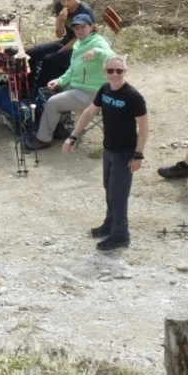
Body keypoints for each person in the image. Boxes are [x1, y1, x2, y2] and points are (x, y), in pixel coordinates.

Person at [63, 55, 148, 252]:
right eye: (111, 71)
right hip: (109, 148)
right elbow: (89, 112)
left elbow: (144, 127)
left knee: (119, 194)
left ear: (125, 72)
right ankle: (110, 224)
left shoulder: (133, 96)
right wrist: (73, 137)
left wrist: (138, 155)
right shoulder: (105, 89)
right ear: (105, 73)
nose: (115, 74)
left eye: (119, 71)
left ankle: (121, 235)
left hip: (125, 152)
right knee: (109, 189)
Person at [33, 13, 113, 149]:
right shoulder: (79, 42)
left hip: (92, 92)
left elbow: (113, 57)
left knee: (52, 103)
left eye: (83, 27)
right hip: (77, 86)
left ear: (92, 27)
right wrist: (60, 80)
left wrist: (97, 52)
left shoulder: (98, 42)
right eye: (76, 28)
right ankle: (59, 129)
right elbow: (73, 67)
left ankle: (43, 140)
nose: (79, 30)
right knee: (49, 92)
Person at [27, 0, 96, 88]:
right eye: (62, 0)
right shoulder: (59, 6)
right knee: (30, 54)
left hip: (82, 46)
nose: (65, 3)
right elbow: (59, 34)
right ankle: (29, 84)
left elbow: (80, 38)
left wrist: (62, 50)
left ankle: (42, 89)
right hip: (66, 40)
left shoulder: (84, 11)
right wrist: (60, 21)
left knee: (49, 60)